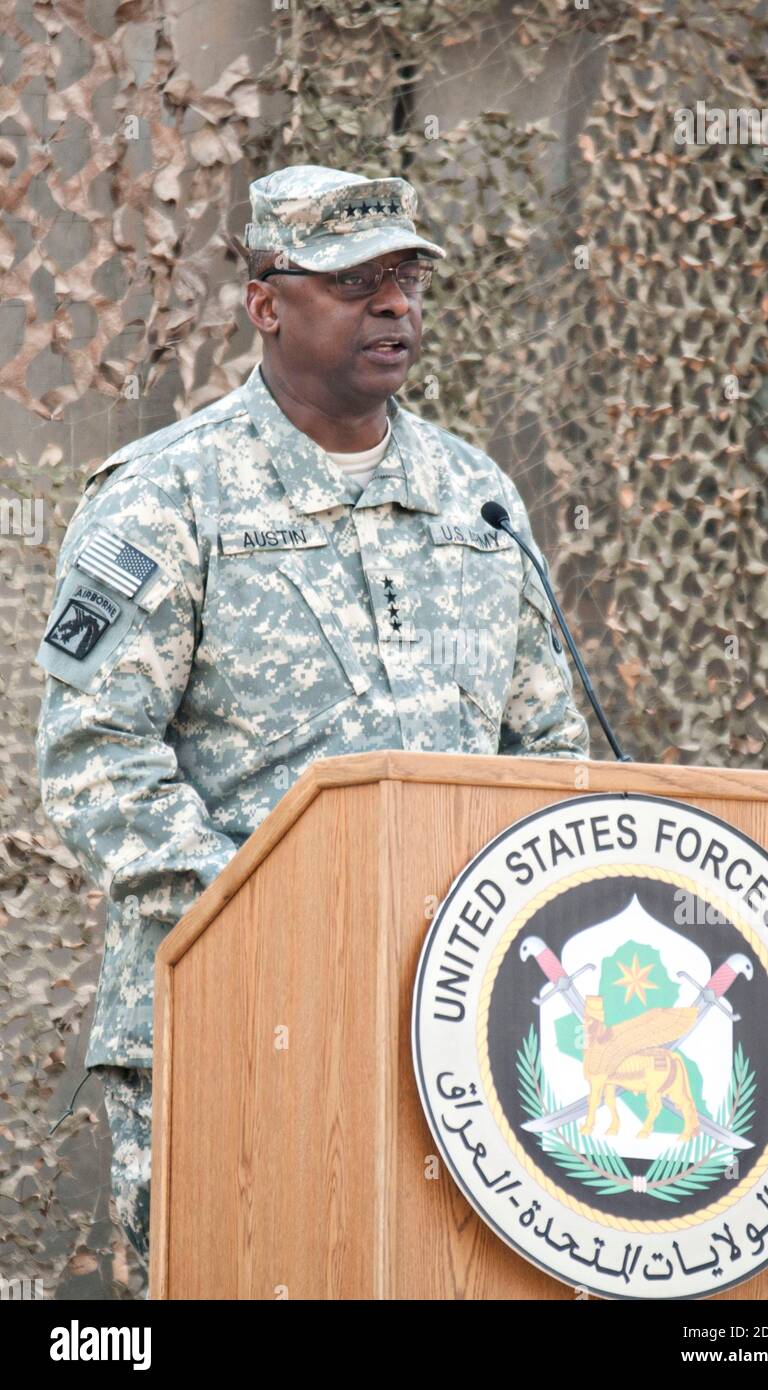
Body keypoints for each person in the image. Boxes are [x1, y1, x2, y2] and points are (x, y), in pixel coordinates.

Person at [35, 164, 590, 1295]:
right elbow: (96, 760)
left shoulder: (475, 499)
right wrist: (273, 922)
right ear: (265, 301)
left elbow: (551, 754)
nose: (394, 305)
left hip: (459, 1037)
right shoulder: (164, 496)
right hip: (235, 1027)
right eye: (354, 281)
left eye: (406, 279)